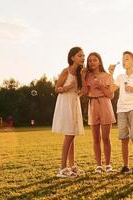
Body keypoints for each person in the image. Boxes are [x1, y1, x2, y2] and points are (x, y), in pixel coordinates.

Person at [109, 51, 133, 174]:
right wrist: (111, 73)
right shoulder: (120, 77)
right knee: (124, 139)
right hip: (121, 110)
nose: (124, 61)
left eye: (127, 59)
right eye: (123, 59)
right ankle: (125, 166)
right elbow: (110, 90)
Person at [52, 47, 85, 178]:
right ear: (72, 58)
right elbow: (56, 89)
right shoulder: (66, 71)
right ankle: (62, 168)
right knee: (69, 135)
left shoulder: (79, 73)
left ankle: (72, 166)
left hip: (74, 102)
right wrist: (69, 87)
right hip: (65, 103)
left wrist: (79, 89)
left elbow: (80, 92)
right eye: (80, 56)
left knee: (72, 135)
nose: (83, 58)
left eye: (83, 55)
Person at [81, 52, 116, 173]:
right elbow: (85, 92)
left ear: (99, 61)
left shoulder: (107, 75)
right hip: (93, 105)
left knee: (105, 138)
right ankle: (99, 165)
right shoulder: (87, 76)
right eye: (89, 60)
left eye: (94, 60)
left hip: (105, 104)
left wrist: (101, 86)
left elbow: (110, 95)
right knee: (96, 138)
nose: (92, 62)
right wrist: (82, 77)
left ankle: (107, 165)